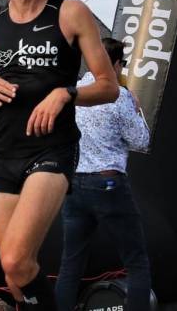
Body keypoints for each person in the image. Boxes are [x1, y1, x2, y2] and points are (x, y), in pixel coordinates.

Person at [0, 0, 118, 310]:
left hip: (51, 149)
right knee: (12, 271)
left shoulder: (70, 13)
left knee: (17, 259)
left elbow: (108, 86)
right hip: (4, 152)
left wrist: (66, 93)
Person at [56, 38, 152, 311]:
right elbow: (141, 141)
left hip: (74, 182)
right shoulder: (119, 95)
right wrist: (137, 108)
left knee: (71, 263)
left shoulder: (72, 92)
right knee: (136, 261)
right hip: (108, 181)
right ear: (117, 64)